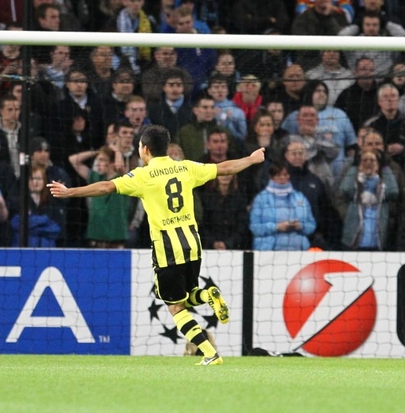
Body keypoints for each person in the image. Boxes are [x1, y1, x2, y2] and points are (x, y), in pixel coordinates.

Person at [48, 124, 266, 365]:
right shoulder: (186, 167)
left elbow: (106, 186)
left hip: (167, 249)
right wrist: (251, 158)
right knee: (188, 296)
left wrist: (70, 192)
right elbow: (224, 168)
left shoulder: (142, 175)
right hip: (193, 244)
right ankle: (207, 294)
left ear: (145, 149)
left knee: (175, 307)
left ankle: (209, 353)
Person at [68, 145, 130, 248]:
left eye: (102, 160)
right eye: (98, 160)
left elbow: (119, 166)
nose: (98, 164)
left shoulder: (123, 181)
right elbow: (73, 160)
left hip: (116, 239)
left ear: (111, 162)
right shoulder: (95, 177)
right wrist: (97, 152)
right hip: (96, 237)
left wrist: (117, 151)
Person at [249, 161, 316, 251]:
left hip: (299, 250)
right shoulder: (261, 198)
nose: (282, 178)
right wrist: (276, 227)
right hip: (269, 251)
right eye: (278, 175)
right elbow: (254, 228)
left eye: (285, 175)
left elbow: (311, 225)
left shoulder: (300, 197)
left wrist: (301, 226)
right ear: (271, 177)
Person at [10, 165, 62, 247]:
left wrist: (32, 225)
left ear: (44, 181)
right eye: (31, 179)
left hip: (47, 250)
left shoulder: (52, 201)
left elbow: (56, 229)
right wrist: (45, 221)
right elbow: (15, 224)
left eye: (38, 179)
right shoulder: (18, 201)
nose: (35, 182)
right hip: (24, 248)